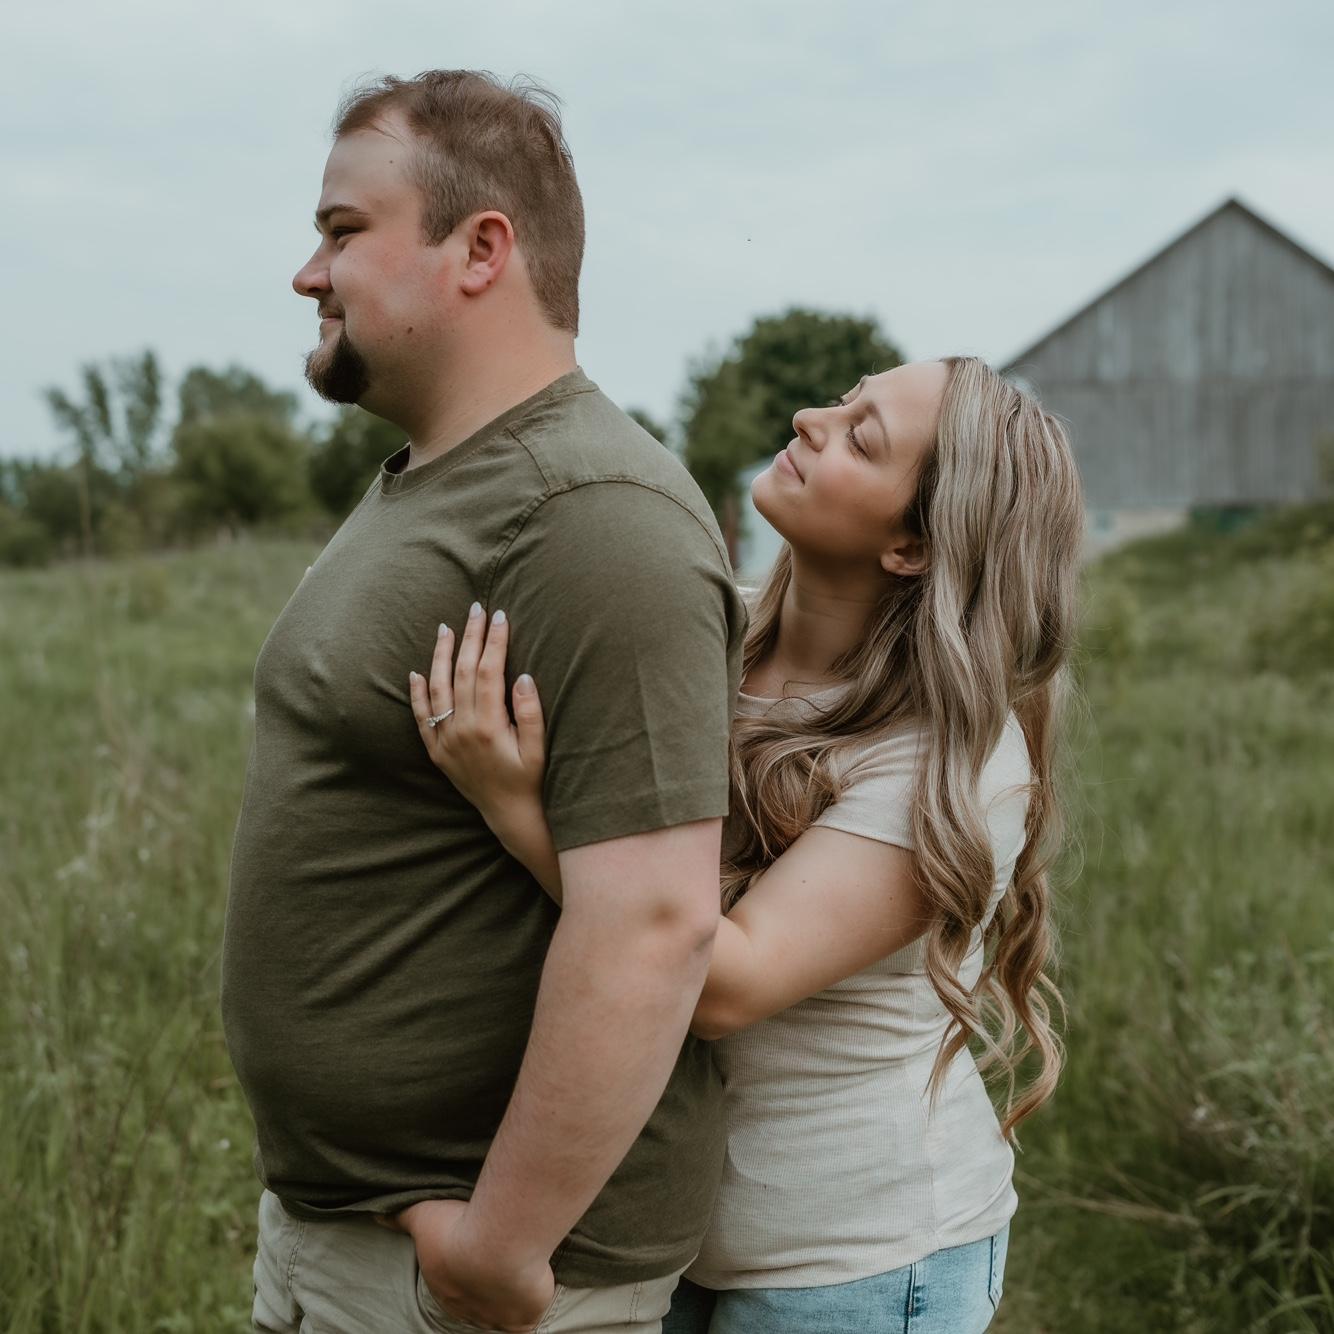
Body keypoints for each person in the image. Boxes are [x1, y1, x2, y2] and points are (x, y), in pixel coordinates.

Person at [221, 69, 748, 1334]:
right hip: (346, 1235)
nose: (307, 273)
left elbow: (655, 920)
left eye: (343, 230)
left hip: (466, 1275)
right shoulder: (432, 479)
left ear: (480, 249)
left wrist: (498, 1245)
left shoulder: (594, 516)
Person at [410, 356, 1084, 1333]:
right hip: (676, 1237)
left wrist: (515, 809)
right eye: (843, 400)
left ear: (909, 545)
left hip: (858, 1263)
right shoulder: (708, 641)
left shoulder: (953, 761)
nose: (810, 417)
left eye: (861, 438)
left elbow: (723, 984)